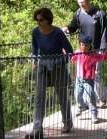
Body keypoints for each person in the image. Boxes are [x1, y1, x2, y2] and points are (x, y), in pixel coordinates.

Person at [26, 8, 73, 139]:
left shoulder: (57, 32)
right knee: (39, 97)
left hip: (58, 66)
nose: (38, 22)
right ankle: (37, 129)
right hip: (42, 66)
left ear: (48, 20)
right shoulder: (35, 32)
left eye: (40, 20)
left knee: (62, 95)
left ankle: (67, 123)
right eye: (36, 19)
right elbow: (35, 49)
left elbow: (69, 50)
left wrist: (61, 62)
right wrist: (35, 61)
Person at [63, 0, 107, 107]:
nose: (80, 4)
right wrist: (66, 29)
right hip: (83, 50)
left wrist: (106, 47)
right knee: (83, 75)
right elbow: (73, 26)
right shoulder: (78, 13)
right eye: (79, 2)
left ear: (88, 1)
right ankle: (86, 102)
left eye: (82, 2)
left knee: (96, 73)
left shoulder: (100, 14)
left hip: (96, 48)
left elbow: (105, 31)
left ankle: (102, 98)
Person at [71, 35, 107, 124]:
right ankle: (81, 107)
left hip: (88, 80)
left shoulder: (94, 55)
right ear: (79, 45)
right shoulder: (78, 53)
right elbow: (72, 58)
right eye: (82, 45)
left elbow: (103, 57)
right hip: (79, 79)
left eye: (86, 45)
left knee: (91, 97)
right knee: (77, 94)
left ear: (90, 46)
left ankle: (94, 115)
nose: (84, 47)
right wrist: (66, 53)